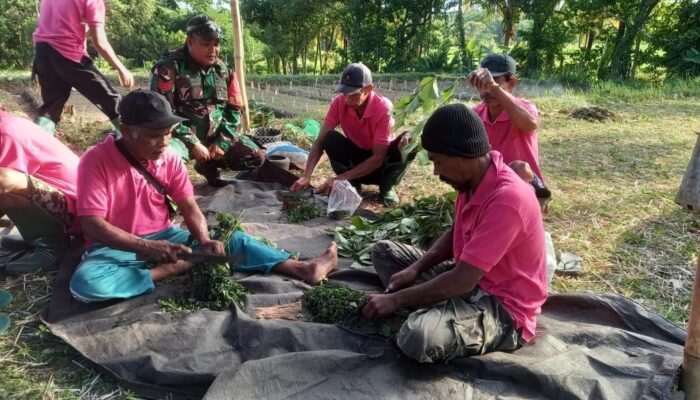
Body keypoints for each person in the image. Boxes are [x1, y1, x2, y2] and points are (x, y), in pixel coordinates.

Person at [69, 90, 337, 302]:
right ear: (127, 131)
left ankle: (302, 268)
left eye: (168, 134)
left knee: (231, 239)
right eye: (154, 136)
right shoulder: (96, 161)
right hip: (115, 248)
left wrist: (204, 239)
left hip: (166, 237)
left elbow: (188, 205)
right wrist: (146, 247)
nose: (163, 142)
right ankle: (172, 268)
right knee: (87, 284)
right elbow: (93, 224)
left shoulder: (169, 157)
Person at [361, 103, 548, 363]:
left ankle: (432, 313)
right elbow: (456, 233)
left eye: (439, 162)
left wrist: (397, 300)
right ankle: (436, 306)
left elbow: (461, 280)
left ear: (463, 155)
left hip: (501, 305)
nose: (437, 172)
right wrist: (415, 268)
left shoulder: (508, 199)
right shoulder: (472, 181)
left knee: (418, 337)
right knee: (384, 252)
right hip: (470, 278)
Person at [150, 15, 264, 188]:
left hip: (215, 137)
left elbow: (235, 108)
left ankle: (208, 165)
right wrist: (192, 142)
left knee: (256, 156)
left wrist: (222, 142)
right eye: (206, 44)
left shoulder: (224, 70)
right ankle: (170, 188)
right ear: (190, 42)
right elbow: (163, 114)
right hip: (180, 137)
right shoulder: (169, 67)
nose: (213, 50)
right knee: (166, 158)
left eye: (216, 44)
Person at [290, 63, 416, 206]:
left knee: (411, 141)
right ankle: (352, 183)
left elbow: (378, 158)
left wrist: (339, 178)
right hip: (356, 158)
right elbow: (319, 142)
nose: (347, 99)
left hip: (380, 165)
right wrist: (306, 176)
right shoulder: (339, 103)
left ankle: (386, 186)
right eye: (345, 93)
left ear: (368, 89)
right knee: (329, 137)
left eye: (353, 94)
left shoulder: (383, 108)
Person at [32, 0, 134, 134]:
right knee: (110, 100)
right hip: (68, 54)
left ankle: (36, 146)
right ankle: (134, 140)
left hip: (42, 53)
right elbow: (99, 42)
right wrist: (122, 69)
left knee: (51, 108)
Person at [467, 53, 551, 208]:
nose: (485, 90)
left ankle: (538, 195)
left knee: (517, 168)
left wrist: (494, 87)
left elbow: (530, 124)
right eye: (482, 84)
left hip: (521, 187)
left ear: (511, 83)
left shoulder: (524, 108)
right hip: (491, 186)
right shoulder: (475, 114)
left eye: (493, 83)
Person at [0, 110, 79, 273]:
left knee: (4, 179)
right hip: (60, 198)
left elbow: (5, 184)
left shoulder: (6, 134)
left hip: (78, 210)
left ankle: (52, 246)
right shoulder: (7, 123)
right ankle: (35, 235)